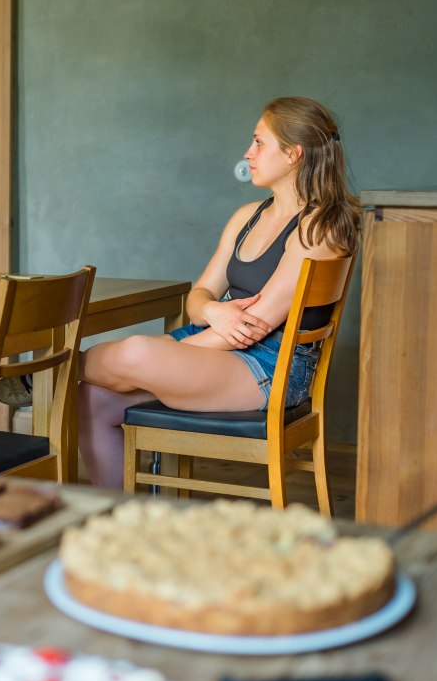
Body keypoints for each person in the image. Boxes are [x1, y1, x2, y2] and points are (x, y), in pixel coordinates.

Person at [77, 97, 361, 489]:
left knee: (134, 353)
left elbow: (255, 328)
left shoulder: (321, 228)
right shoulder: (247, 216)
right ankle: (116, 519)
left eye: (259, 142)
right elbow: (199, 295)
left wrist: (162, 353)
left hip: (269, 366)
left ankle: (50, 373)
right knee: (94, 397)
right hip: (215, 341)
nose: (248, 153)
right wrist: (214, 311)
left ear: (294, 154)